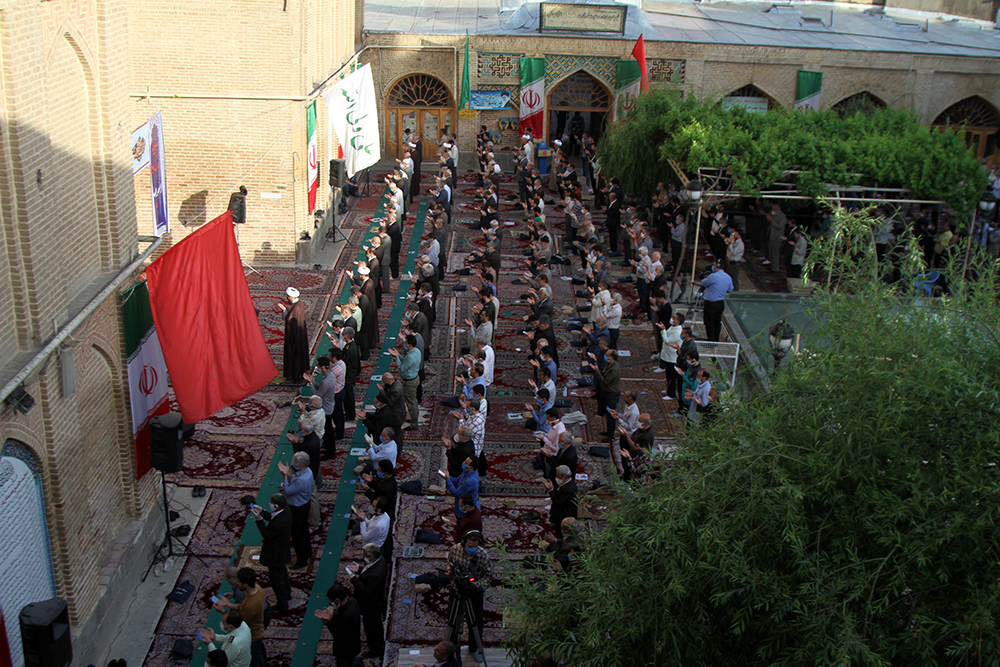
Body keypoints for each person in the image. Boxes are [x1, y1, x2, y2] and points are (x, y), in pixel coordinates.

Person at [445, 530, 493, 664]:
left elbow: (489, 577)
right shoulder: (455, 550)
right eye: (469, 546)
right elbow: (449, 562)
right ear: (463, 543)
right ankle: (450, 649)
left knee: (475, 623)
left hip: (474, 593)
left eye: (474, 546)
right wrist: (450, 572)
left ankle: (474, 648)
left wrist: (476, 584)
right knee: (452, 621)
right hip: (457, 591)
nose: (472, 549)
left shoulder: (483, 556)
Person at [212, 568, 267, 667]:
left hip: (253, 634)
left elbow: (239, 623)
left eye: (239, 582)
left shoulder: (251, 605)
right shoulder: (257, 589)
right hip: (257, 629)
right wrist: (228, 605)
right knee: (259, 653)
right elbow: (242, 606)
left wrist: (223, 612)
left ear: (245, 585)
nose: (236, 583)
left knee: (255, 660)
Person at [252, 493, 292, 612]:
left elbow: (267, 534)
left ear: (276, 505)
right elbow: (273, 517)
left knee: (277, 580)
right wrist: (263, 512)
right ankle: (288, 593)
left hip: (276, 554)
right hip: (283, 549)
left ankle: (282, 603)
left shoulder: (280, 523)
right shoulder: (286, 510)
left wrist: (259, 520)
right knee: (283, 573)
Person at [348, 543, 388, 659]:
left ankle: (375, 650)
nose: (363, 557)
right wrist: (360, 570)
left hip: (371, 606)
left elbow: (367, 590)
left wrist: (354, 580)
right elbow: (367, 573)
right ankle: (378, 643)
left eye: (364, 555)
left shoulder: (376, 574)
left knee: (372, 628)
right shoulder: (380, 560)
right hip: (375, 602)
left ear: (371, 558)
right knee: (376, 626)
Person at [278, 451, 314, 570]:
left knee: (298, 535)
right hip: (303, 505)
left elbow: (287, 491)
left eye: (296, 462)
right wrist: (289, 473)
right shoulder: (307, 472)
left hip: (297, 509)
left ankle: (302, 561)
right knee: (303, 531)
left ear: (300, 465)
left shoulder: (301, 480)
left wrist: (284, 476)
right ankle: (307, 552)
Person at [315, 584, 362, 667]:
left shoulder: (347, 616)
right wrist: (332, 616)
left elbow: (338, 634)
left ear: (337, 600)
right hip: (354, 642)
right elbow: (342, 612)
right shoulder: (352, 601)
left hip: (346, 650)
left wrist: (329, 620)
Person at [390, 334, 421, 430]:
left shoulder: (411, 356)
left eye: (406, 342)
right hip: (414, 379)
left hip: (410, 382)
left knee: (411, 402)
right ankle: (413, 419)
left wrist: (396, 357)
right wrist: (399, 355)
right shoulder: (416, 351)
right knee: (412, 400)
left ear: (410, 344)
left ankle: (414, 424)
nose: (404, 344)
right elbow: (406, 361)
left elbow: (402, 368)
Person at [278, 287, 309, 382]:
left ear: (290, 297)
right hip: (299, 335)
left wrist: (284, 310)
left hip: (295, 338)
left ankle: (296, 375)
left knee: (295, 355)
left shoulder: (296, 308)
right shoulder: (298, 305)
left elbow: (289, 319)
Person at [698, 264, 733, 342]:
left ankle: (711, 341)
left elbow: (704, 283)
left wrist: (705, 277)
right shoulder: (728, 277)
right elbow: (730, 289)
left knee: (709, 322)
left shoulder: (713, 276)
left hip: (711, 303)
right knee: (717, 321)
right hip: (720, 303)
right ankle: (716, 339)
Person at [543, 465, 578, 539]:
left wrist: (551, 490)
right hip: (564, 508)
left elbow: (558, 502)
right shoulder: (568, 482)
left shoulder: (568, 489)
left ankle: (559, 540)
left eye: (558, 476)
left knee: (560, 529)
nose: (557, 478)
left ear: (565, 477)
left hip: (565, 512)